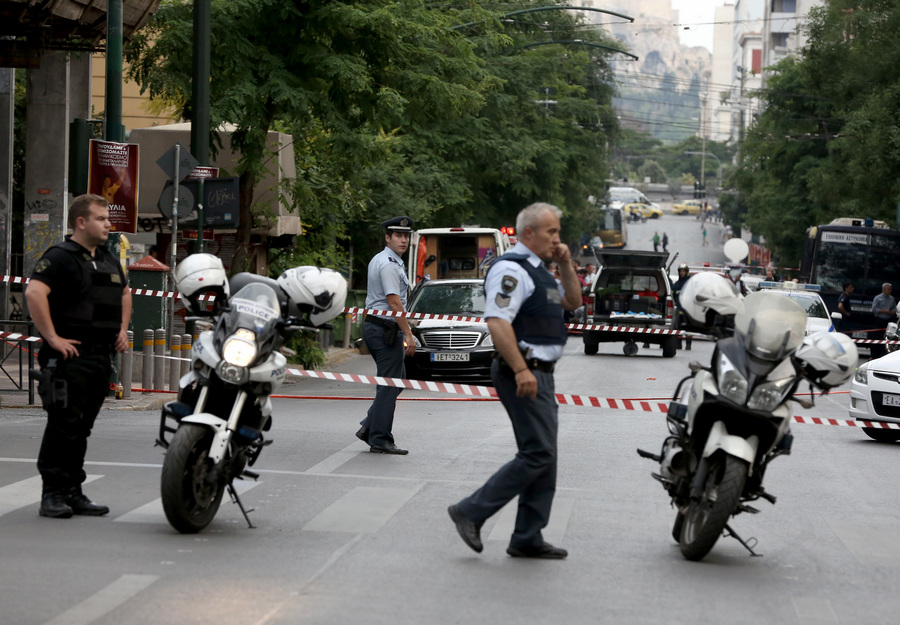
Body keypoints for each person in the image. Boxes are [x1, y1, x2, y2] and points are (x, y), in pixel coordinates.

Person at [447, 202, 582, 559]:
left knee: (544, 456)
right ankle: (471, 511)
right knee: (538, 453)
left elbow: (572, 300)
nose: (557, 239)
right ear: (528, 234)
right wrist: (521, 370)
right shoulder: (511, 270)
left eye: (558, 232)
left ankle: (527, 536)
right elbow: (497, 322)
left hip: (541, 373)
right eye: (551, 232)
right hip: (523, 372)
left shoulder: (542, 271)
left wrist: (566, 263)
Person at [25, 194, 131, 518]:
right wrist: (52, 337)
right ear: (81, 222)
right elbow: (34, 292)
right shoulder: (60, 256)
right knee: (63, 427)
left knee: (81, 429)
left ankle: (73, 492)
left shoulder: (108, 258)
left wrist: (123, 330)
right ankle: (52, 494)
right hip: (69, 360)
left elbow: (125, 292)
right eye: (101, 219)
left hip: (99, 359)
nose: (108, 224)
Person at [356, 216, 417, 454]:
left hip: (379, 328)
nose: (403, 240)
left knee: (394, 381)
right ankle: (380, 438)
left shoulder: (386, 259)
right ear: (387, 237)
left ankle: (370, 427)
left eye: (406, 236)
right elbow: (393, 302)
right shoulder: (390, 264)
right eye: (398, 236)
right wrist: (408, 334)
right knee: (390, 384)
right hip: (384, 330)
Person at [671, 263, 693, 350]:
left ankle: (688, 344)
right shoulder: (676, 284)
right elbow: (672, 295)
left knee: (688, 328)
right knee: (678, 328)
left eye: (683, 271)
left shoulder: (690, 284)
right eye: (680, 271)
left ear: (687, 272)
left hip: (688, 311)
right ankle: (678, 344)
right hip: (678, 310)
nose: (682, 273)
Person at [871, 282, 895, 359]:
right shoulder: (877, 298)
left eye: (890, 289)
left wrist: (892, 312)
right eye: (888, 289)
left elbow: (894, 308)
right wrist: (885, 311)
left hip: (888, 321)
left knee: (886, 337)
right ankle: (874, 355)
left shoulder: (892, 299)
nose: (890, 291)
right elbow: (874, 309)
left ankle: (883, 355)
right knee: (876, 337)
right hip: (879, 320)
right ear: (884, 289)